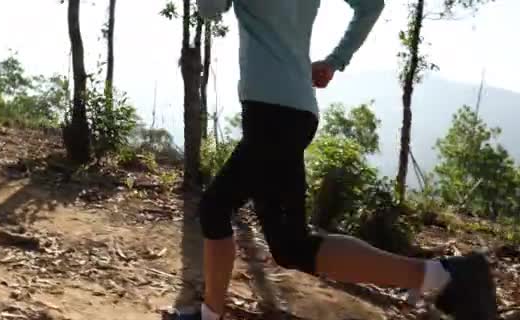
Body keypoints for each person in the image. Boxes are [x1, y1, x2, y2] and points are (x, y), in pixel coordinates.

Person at [177, 0, 499, 319]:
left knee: (215, 208)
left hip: (270, 113)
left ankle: (209, 315)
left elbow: (209, 9)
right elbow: (370, 5)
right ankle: (446, 274)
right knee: (291, 247)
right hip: (296, 109)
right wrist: (335, 61)